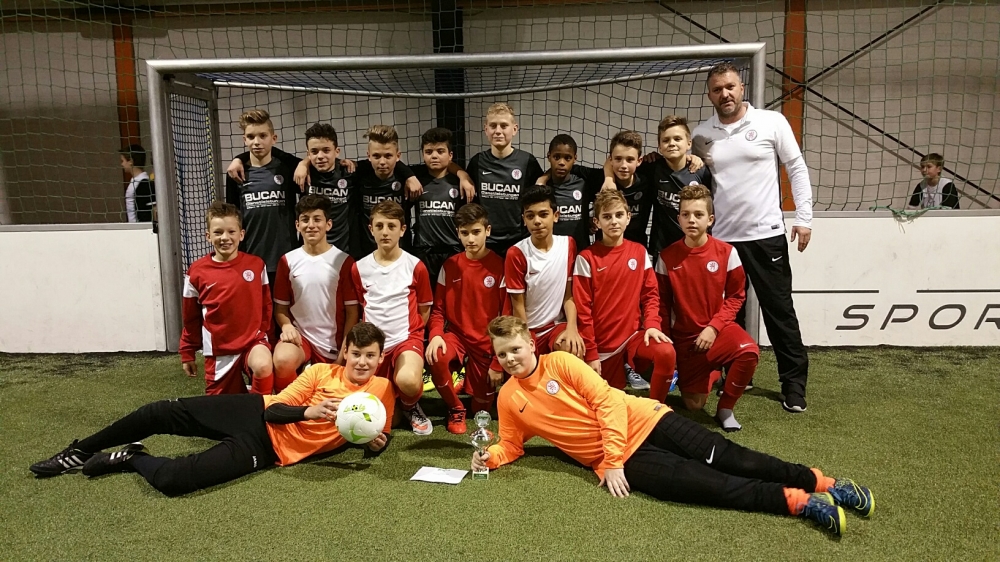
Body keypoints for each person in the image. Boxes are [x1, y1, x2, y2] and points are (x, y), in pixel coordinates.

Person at [472, 316, 874, 536]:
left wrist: (612, 460)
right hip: (630, 461)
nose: (510, 359)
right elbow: (512, 444)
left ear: (531, 344)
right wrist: (489, 457)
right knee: (714, 487)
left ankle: (824, 483)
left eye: (515, 349)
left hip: (648, 421)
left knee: (736, 459)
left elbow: (607, 401)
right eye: (502, 354)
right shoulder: (508, 398)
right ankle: (800, 503)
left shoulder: (561, 362)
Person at [29, 323, 394, 497]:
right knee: (159, 412)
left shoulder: (381, 390)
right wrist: (308, 412)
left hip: (267, 449)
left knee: (174, 481)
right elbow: (274, 411)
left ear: (380, 359)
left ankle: (131, 457)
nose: (362, 362)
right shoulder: (319, 372)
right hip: (253, 411)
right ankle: (79, 451)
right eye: (356, 354)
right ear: (345, 352)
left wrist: (376, 445)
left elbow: (379, 436)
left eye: (370, 356)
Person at [691, 62, 813, 413]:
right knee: (728, 315)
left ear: (742, 88)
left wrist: (804, 217)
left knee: (779, 312)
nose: (725, 94)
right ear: (710, 95)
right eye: (717, 89)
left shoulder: (771, 121)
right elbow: (691, 173)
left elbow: (796, 167)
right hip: (723, 241)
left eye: (730, 87)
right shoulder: (702, 134)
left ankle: (793, 385)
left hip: (766, 236)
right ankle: (734, 375)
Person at [656, 185, 759, 432]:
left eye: (698, 214)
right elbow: (661, 304)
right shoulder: (667, 257)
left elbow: (736, 297)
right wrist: (667, 345)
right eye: (686, 214)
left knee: (749, 352)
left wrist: (714, 328)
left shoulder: (727, 253)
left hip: (718, 331)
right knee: (693, 405)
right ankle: (712, 373)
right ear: (679, 218)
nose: (692, 220)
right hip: (686, 341)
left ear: (710, 219)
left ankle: (726, 409)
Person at [573, 190, 676, 392]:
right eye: (607, 217)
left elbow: (650, 295)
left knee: (666, 352)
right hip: (603, 347)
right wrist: (591, 352)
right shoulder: (586, 258)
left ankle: (658, 407)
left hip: (633, 338)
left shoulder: (639, 251)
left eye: (619, 215)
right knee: (607, 401)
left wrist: (652, 324)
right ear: (597, 222)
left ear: (628, 218)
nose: (614, 221)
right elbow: (583, 310)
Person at [351, 199, 435, 434]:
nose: (385, 232)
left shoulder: (415, 266)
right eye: (379, 226)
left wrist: (412, 335)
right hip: (372, 345)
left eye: (391, 226)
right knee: (388, 419)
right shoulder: (359, 268)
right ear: (371, 229)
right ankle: (396, 403)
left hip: (406, 340)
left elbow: (424, 309)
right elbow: (361, 306)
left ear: (403, 229)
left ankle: (411, 405)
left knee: (408, 380)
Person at [426, 203, 507, 433]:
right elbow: (438, 310)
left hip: (486, 343)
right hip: (457, 337)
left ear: (487, 231)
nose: (470, 239)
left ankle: (467, 381)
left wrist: (497, 360)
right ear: (458, 233)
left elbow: (506, 317)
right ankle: (455, 407)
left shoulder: (500, 266)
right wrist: (435, 335)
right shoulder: (450, 265)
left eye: (476, 232)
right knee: (436, 355)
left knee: (481, 408)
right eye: (465, 233)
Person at [180, 201, 273, 395]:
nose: (225, 238)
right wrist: (187, 351)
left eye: (231, 231)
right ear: (208, 236)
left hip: (253, 343)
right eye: (218, 232)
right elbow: (191, 318)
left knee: (263, 365)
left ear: (241, 234)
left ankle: (259, 408)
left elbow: (266, 306)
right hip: (219, 351)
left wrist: (264, 335)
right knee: (220, 409)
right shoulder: (196, 272)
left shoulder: (256, 265)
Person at [271, 194, 360, 391]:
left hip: (333, 344)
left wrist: (344, 353)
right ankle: (288, 404)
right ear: (297, 225)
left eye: (317, 219)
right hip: (300, 340)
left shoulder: (344, 262)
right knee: (283, 359)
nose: (311, 225)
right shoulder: (287, 261)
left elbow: (352, 313)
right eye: (305, 220)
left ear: (328, 225)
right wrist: (286, 326)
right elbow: (280, 309)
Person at [504, 186, 585, 358]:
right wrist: (525, 339)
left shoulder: (568, 245)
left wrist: (572, 328)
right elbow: (517, 306)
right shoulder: (516, 253)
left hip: (555, 327)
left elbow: (569, 295)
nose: (537, 221)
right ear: (524, 220)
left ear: (556, 216)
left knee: (572, 347)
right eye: (530, 216)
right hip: (527, 329)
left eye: (543, 214)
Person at [224, 109, 301, 286]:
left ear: (274, 138)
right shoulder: (236, 173)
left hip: (286, 259)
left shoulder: (288, 169)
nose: (257, 142)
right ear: (244, 140)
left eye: (263, 136)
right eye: (251, 137)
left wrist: (304, 164)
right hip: (250, 260)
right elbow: (232, 218)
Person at [468, 103, 544, 256]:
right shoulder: (477, 162)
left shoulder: (527, 161)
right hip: (486, 241)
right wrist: (462, 175)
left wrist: (544, 177)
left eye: (504, 126)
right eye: (493, 126)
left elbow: (540, 197)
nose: (498, 131)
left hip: (519, 241)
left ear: (514, 129)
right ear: (486, 129)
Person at [644, 115, 714, 257]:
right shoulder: (652, 168)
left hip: (695, 246)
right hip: (663, 247)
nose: (671, 143)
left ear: (689, 144)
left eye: (677, 139)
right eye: (666, 140)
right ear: (659, 146)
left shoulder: (700, 171)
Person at [410, 127, 467, 283]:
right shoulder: (415, 180)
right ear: (423, 155)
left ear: (450, 155)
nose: (434, 156)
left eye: (440, 151)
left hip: (453, 250)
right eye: (429, 152)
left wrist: (463, 174)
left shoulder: (461, 184)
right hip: (424, 252)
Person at [534, 134, 608, 251]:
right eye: (556, 157)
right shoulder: (542, 188)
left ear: (575, 158)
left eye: (567, 158)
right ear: (549, 156)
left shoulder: (583, 185)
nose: (561, 162)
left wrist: (589, 221)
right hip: (552, 253)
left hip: (580, 251)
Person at [604, 131, 656, 251]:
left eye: (630, 159)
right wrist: (608, 178)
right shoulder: (599, 180)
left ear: (639, 161)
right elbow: (571, 169)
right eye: (618, 159)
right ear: (610, 159)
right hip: (606, 251)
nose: (624, 165)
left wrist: (692, 158)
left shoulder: (648, 178)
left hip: (638, 249)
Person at [119, 144, 154, 223]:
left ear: (131, 161)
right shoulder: (134, 181)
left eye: (123, 161)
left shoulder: (143, 184)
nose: (122, 164)